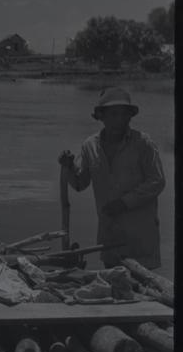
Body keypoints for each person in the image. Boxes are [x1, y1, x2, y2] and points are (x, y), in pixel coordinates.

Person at [58, 87, 165, 270]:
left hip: (140, 234)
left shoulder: (143, 143)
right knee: (115, 285)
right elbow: (79, 183)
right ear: (101, 116)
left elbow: (157, 181)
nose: (119, 120)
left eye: (123, 114)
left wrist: (124, 203)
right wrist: (68, 166)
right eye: (113, 114)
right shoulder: (90, 146)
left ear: (130, 117)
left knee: (145, 287)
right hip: (111, 233)